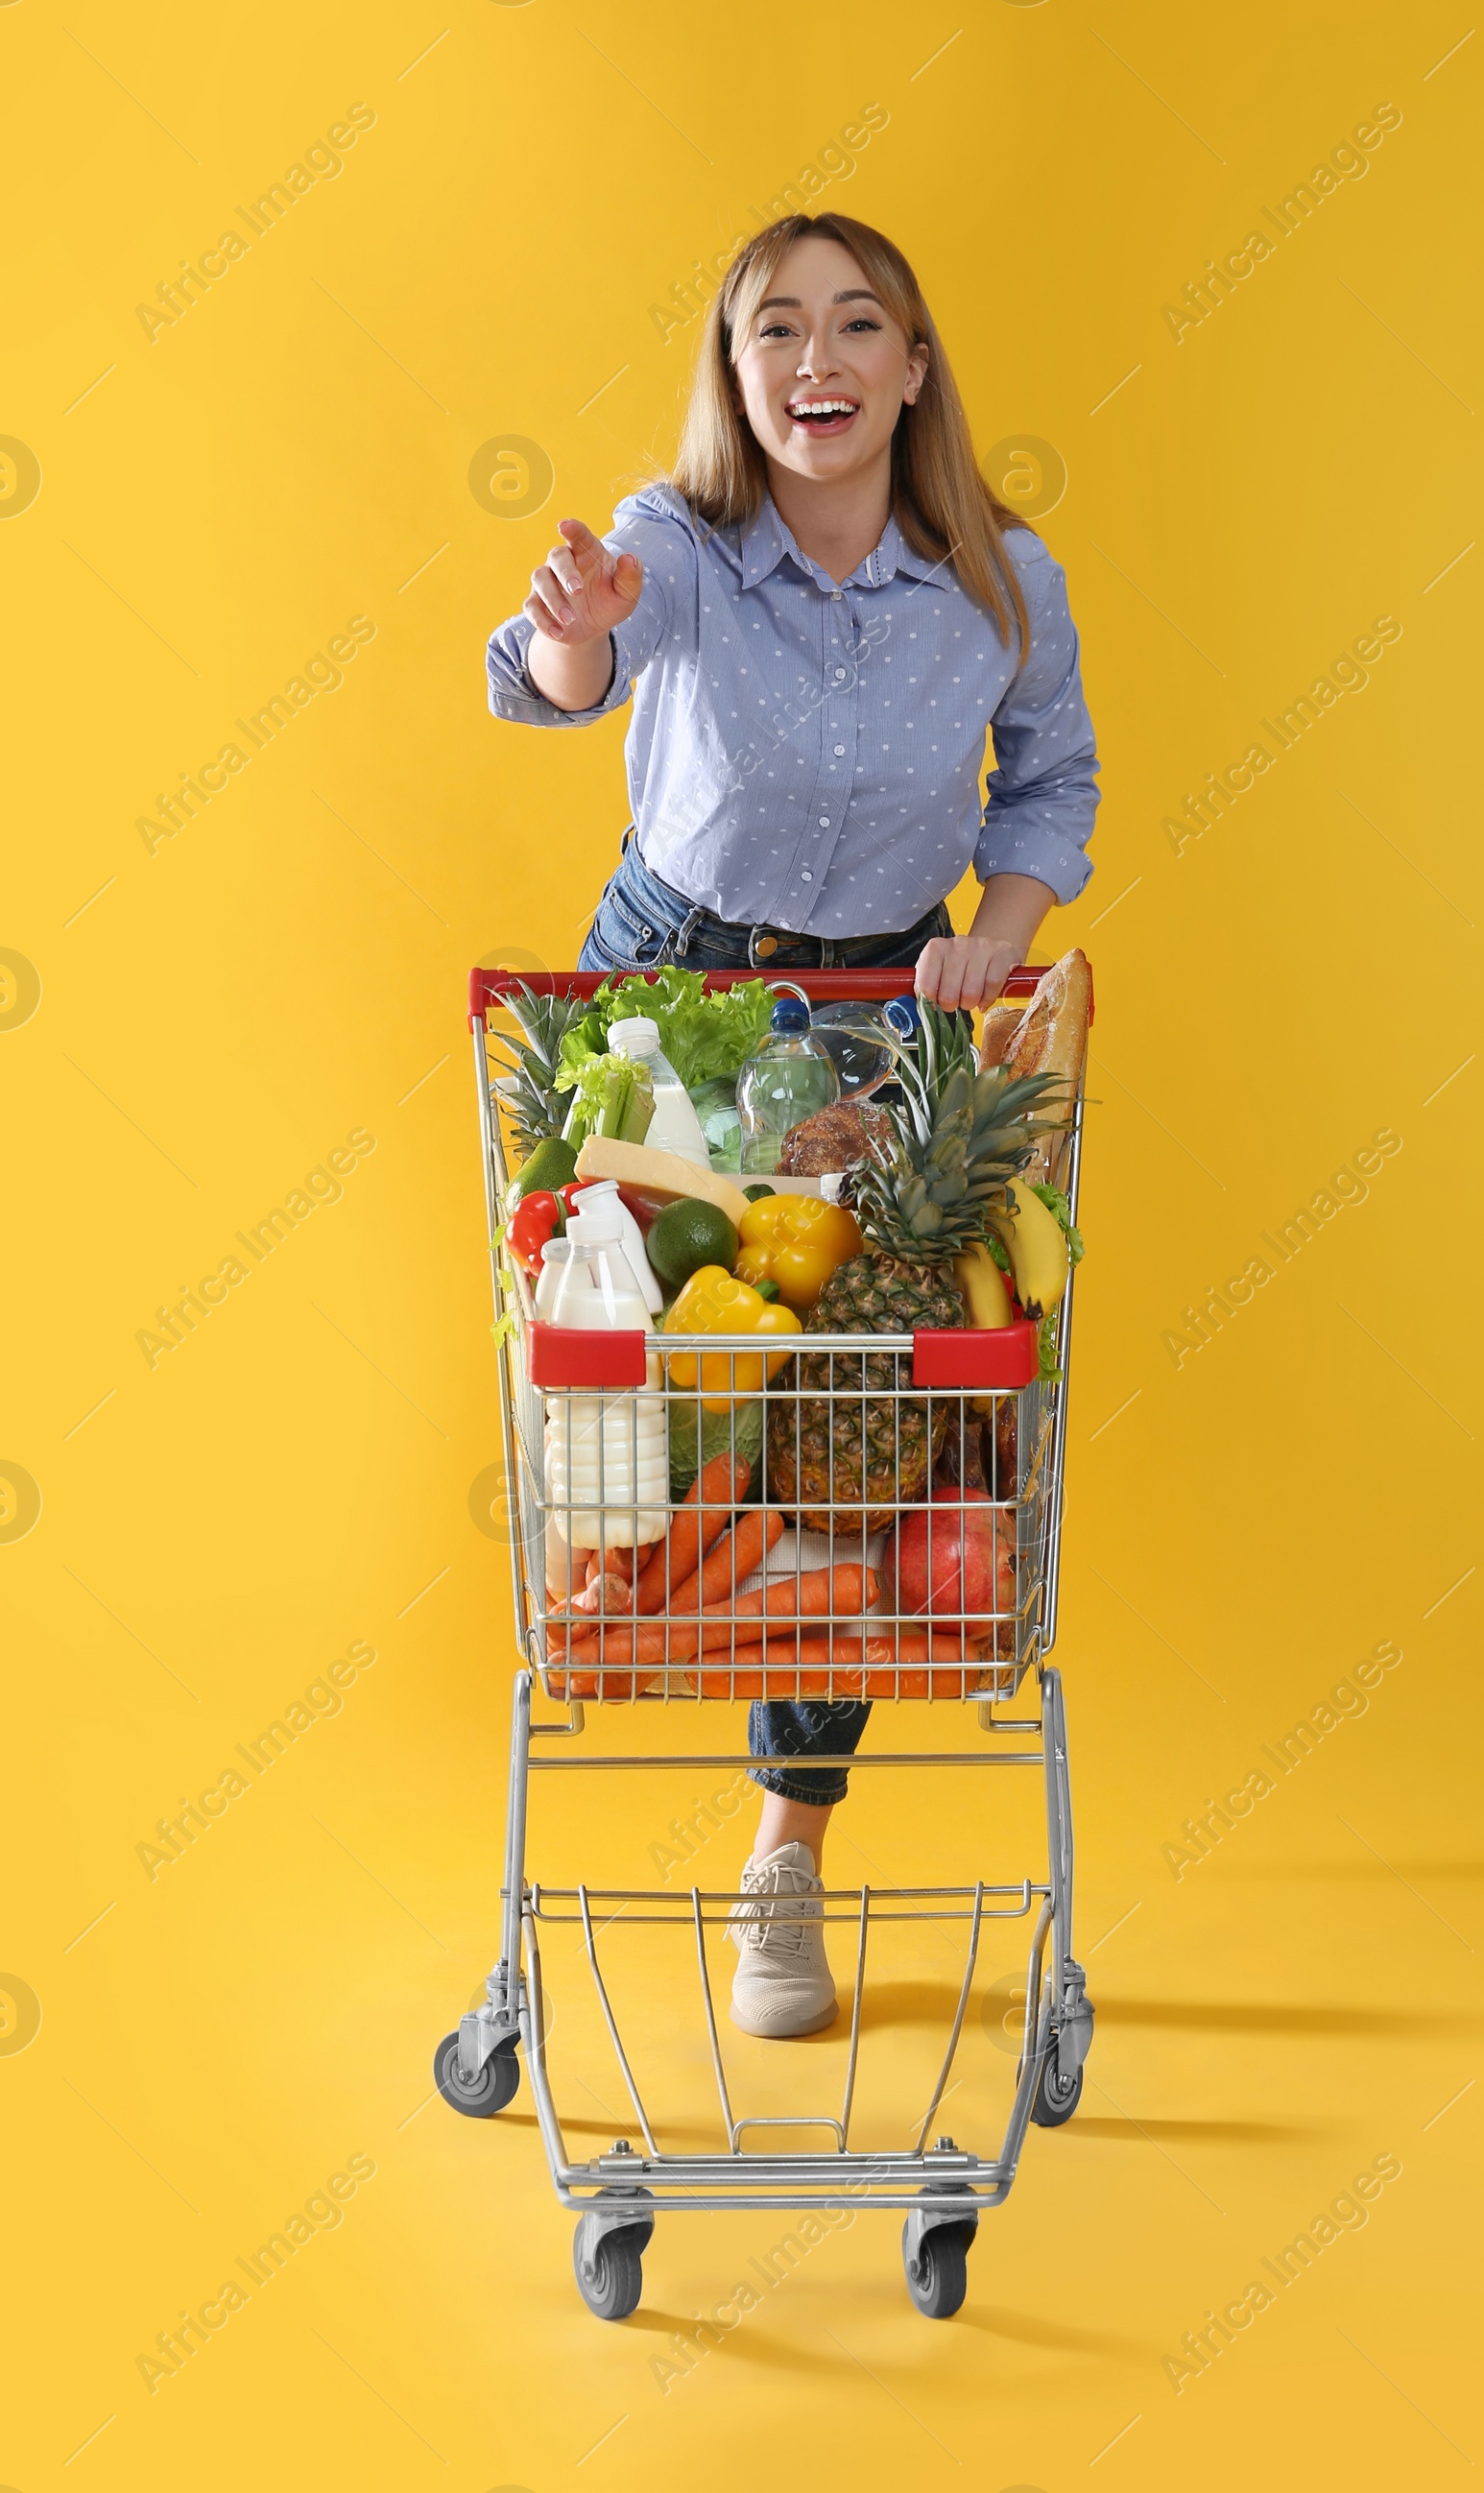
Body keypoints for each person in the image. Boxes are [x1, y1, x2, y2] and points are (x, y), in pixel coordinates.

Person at [487, 211, 1099, 2039]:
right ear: (735, 374)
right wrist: (582, 640)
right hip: (668, 996)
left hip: (875, 1033)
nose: (816, 362)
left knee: (842, 1430)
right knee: (627, 1398)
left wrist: (991, 941)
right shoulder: (673, 542)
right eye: (777, 332)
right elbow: (565, 669)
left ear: (914, 367)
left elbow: (1051, 782)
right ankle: (586, 1704)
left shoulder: (1003, 584)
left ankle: (785, 1852)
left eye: (857, 328)